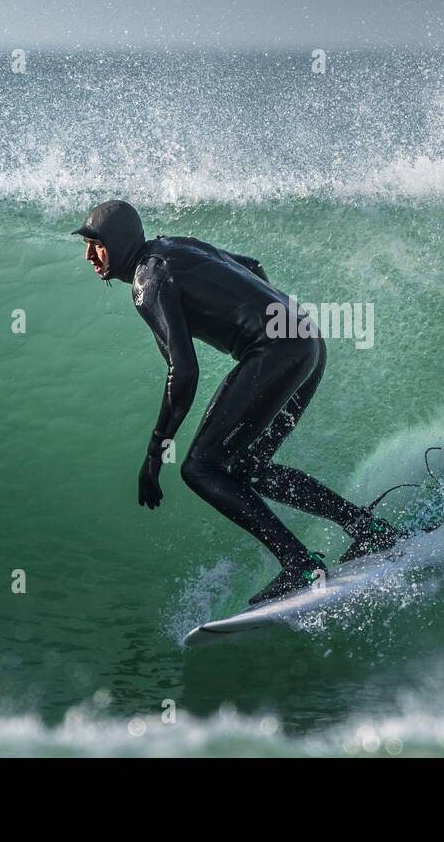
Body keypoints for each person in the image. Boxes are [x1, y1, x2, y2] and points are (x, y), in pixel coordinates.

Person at [73, 200, 400, 604]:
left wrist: (154, 456)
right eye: (87, 245)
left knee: (199, 468)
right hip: (306, 338)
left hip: (276, 351)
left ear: (119, 243)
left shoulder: (147, 284)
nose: (89, 255)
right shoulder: (177, 244)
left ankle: (300, 564)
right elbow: (254, 266)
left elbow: (184, 373)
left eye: (97, 245)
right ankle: (369, 530)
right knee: (249, 468)